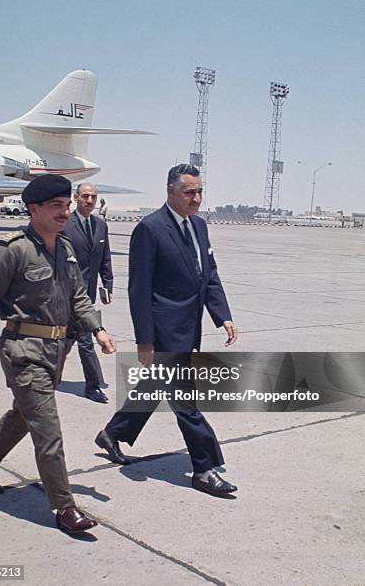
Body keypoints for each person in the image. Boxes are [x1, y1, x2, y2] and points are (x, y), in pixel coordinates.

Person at [0, 174, 116, 533]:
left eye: (67, 206)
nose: (65, 213)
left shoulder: (65, 248)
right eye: (57, 207)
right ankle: (64, 507)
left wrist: (98, 328)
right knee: (48, 428)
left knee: (24, 415)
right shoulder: (13, 249)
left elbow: (77, 296)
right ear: (34, 209)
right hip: (23, 351)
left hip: (56, 350)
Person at [95, 163, 239, 497]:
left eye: (200, 191)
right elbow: (140, 290)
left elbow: (209, 275)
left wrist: (222, 315)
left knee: (155, 387)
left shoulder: (200, 227)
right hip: (163, 332)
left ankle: (112, 433)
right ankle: (204, 468)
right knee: (186, 401)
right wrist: (145, 340)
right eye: (190, 192)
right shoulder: (150, 228)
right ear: (170, 191)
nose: (197, 198)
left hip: (190, 328)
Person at [63, 183, 113, 403]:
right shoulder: (65, 224)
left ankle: (45, 373)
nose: (90, 201)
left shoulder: (101, 226)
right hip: (66, 294)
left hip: (89, 293)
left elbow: (105, 258)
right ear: (76, 198)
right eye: (85, 196)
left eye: (93, 197)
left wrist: (107, 285)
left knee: (67, 337)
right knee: (84, 338)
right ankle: (92, 386)